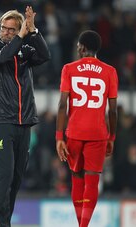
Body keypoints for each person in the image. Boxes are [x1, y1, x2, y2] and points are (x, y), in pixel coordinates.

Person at [0, 6, 50, 227]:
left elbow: (45, 55)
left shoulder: (24, 52)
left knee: (17, 176)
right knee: (4, 173)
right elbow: (4, 56)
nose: (7, 32)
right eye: (4, 28)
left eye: (13, 30)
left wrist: (34, 31)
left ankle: (5, 221)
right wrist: (21, 37)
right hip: (0, 120)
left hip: (24, 120)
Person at [55, 30, 118, 227]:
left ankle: (80, 224)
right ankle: (84, 226)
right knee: (92, 182)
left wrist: (59, 137)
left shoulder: (69, 68)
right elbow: (113, 110)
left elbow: (62, 105)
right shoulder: (110, 71)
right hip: (98, 133)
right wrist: (112, 137)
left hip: (74, 132)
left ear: (81, 47)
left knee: (77, 179)